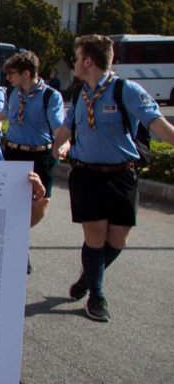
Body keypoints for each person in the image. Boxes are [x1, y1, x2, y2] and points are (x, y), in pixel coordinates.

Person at [53, 34, 174, 323]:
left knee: (118, 239)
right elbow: (67, 128)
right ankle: (96, 295)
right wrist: (58, 147)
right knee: (95, 237)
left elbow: (157, 123)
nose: (74, 62)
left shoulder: (125, 90)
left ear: (88, 61)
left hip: (121, 175)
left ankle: (88, 277)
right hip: (85, 174)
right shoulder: (80, 94)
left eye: (76, 57)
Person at [0, 51, 64, 204]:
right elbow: (4, 114)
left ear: (26, 74)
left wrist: (63, 144)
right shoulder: (13, 92)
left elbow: (58, 127)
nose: (8, 77)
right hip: (14, 154)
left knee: (39, 203)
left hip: (40, 157)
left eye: (11, 73)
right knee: (11, 203)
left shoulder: (50, 96)